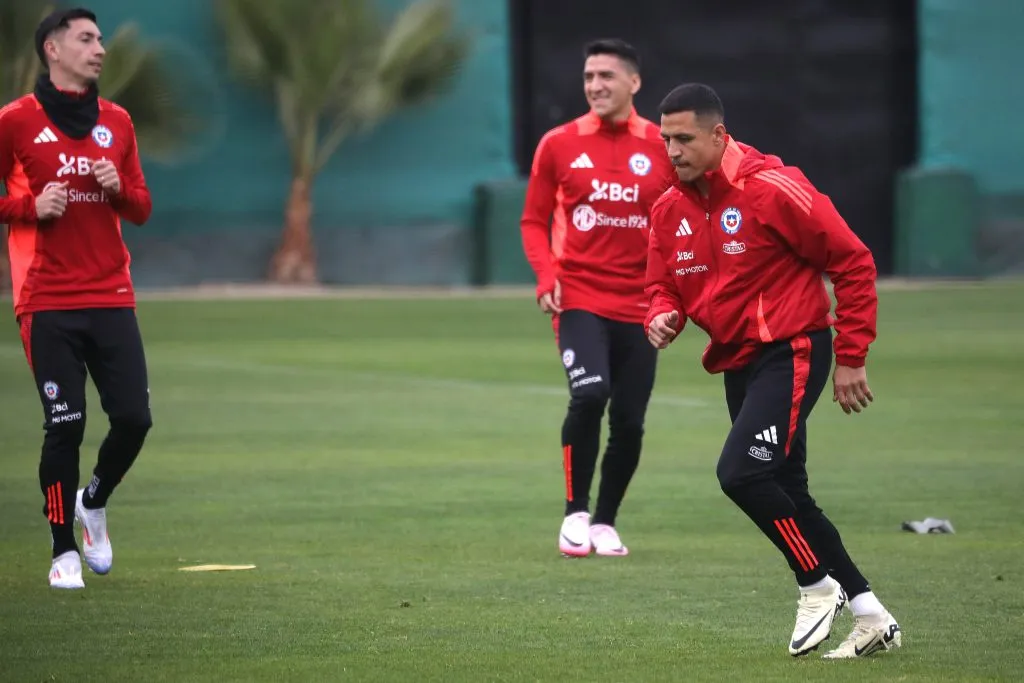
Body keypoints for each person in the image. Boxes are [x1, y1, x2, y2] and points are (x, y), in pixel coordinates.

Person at [644, 83, 902, 658]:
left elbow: (853, 260)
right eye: (665, 140)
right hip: (739, 361)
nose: (673, 150)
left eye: (684, 138)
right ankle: (870, 614)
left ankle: (816, 585)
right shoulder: (667, 208)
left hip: (794, 349)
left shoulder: (774, 188)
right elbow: (662, 284)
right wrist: (661, 315)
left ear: (718, 135)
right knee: (789, 491)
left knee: (741, 474)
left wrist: (853, 355)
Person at [0, 7, 153, 589]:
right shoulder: (15, 121)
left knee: (134, 420)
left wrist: (119, 190)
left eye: (101, 38)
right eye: (87, 39)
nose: (100, 49)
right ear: (52, 49)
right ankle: (62, 547)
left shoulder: (117, 121)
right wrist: (27, 208)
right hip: (47, 299)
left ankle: (94, 501)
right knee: (64, 425)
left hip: (112, 293)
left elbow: (141, 207)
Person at [520, 39, 677, 558]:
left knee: (630, 419)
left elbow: (680, 225)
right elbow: (532, 220)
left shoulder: (662, 146)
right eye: (589, 76)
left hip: (641, 305)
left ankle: (606, 521)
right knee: (589, 395)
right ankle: (575, 511)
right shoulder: (559, 143)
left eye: (606, 76)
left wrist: (675, 294)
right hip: (580, 296)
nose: (595, 86)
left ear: (634, 83)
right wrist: (546, 276)